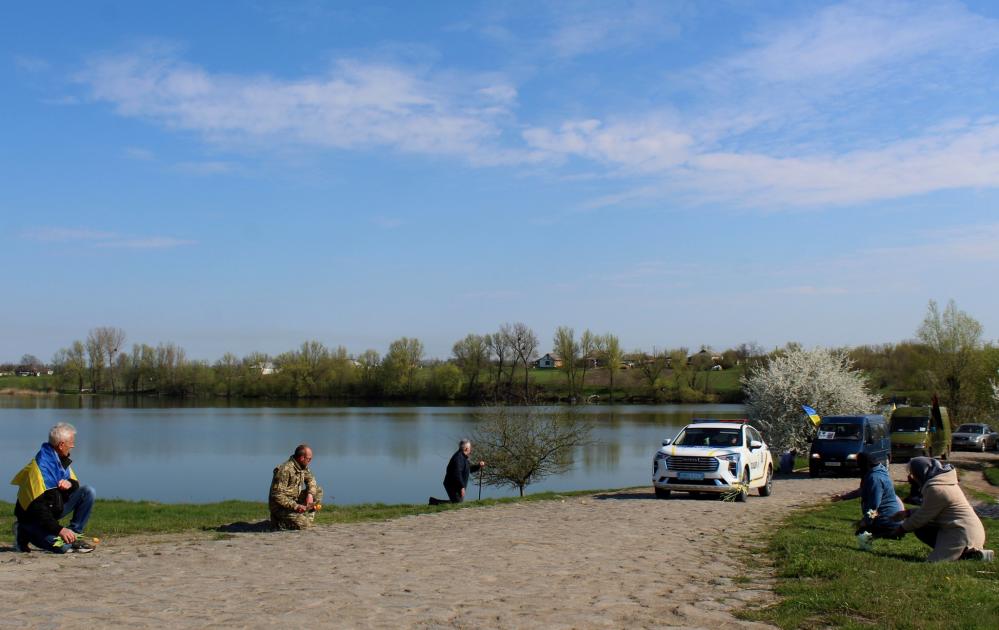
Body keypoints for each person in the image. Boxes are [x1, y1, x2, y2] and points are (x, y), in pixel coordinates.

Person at [10, 422, 97, 553]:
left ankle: (74, 535)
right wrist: (60, 530)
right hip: (33, 519)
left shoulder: (59, 459)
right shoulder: (40, 469)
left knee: (88, 492)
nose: (73, 445)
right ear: (61, 445)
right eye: (71, 442)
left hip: (52, 509)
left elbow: (75, 485)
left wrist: (70, 484)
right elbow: (39, 511)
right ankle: (22, 532)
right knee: (62, 547)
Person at [890, 456, 993, 562]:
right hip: (969, 531)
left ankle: (970, 553)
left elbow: (921, 518)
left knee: (934, 562)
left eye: (913, 473)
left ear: (920, 472)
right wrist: (908, 513)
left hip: (961, 533)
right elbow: (930, 510)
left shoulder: (936, 489)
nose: (911, 477)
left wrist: (900, 529)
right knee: (922, 529)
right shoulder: (944, 484)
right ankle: (971, 553)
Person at [269, 444, 324, 530]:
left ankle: (305, 519)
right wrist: (296, 506)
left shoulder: (302, 467)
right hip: (280, 507)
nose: (310, 461)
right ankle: (279, 522)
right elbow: (277, 495)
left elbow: (311, 480)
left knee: (318, 490)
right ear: (302, 458)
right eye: (309, 459)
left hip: (294, 499)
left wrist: (310, 494)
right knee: (304, 525)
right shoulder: (285, 470)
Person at [441, 439, 485, 504]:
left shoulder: (464, 457)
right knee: (457, 503)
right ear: (466, 449)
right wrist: (461, 487)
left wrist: (478, 466)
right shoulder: (458, 458)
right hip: (452, 485)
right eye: (470, 448)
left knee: (457, 502)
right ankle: (434, 502)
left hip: (457, 485)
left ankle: (434, 502)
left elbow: (469, 469)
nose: (471, 449)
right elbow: (457, 474)